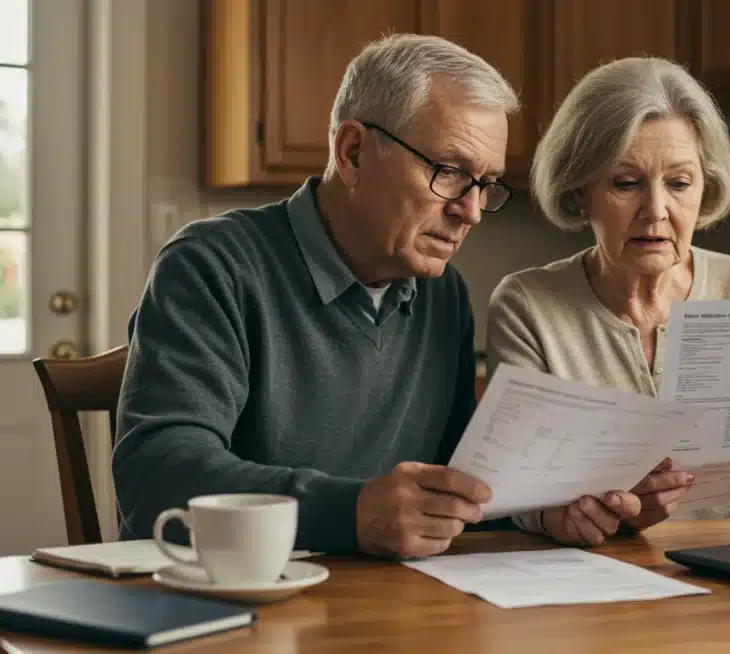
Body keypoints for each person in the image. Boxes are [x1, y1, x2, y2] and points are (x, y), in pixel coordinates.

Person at [111, 34, 583, 559]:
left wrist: (544, 512)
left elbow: (451, 490)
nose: (471, 211)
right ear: (353, 152)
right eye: (449, 172)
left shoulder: (443, 295)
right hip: (226, 608)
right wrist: (351, 512)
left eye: (486, 183)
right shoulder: (211, 266)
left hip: (386, 612)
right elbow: (155, 475)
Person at [486, 57, 730, 547]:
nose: (656, 210)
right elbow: (521, 498)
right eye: (626, 183)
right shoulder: (527, 306)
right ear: (580, 190)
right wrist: (561, 517)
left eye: (678, 183)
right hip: (592, 588)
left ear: (703, 187)